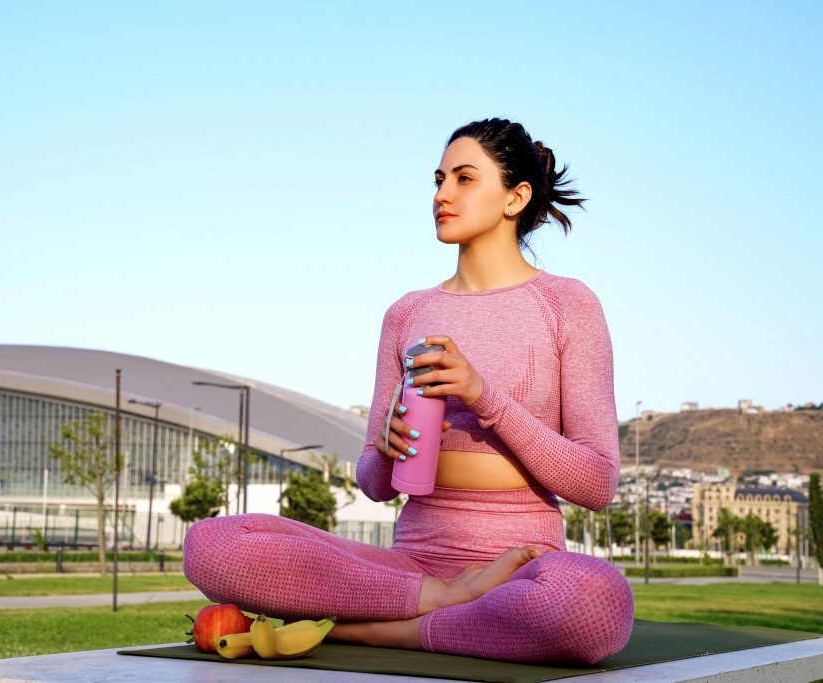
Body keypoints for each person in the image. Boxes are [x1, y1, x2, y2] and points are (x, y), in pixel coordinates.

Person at [183, 117, 633, 665]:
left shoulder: (568, 305)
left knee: (592, 604)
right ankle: (437, 604)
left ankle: (370, 630)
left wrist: (483, 395)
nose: (442, 194)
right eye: (439, 179)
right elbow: (373, 483)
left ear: (515, 197)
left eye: (464, 179)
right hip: (413, 567)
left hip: (522, 567)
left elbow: (596, 482)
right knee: (210, 546)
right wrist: (389, 448)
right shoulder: (407, 313)